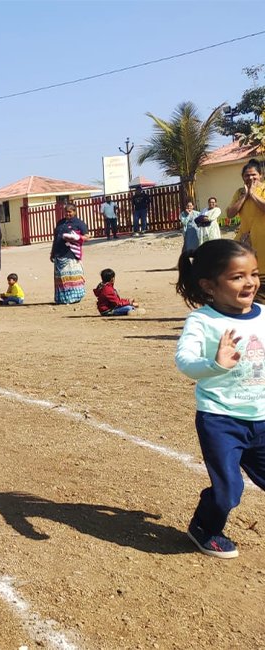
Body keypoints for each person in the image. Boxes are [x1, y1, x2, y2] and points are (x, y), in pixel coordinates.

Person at [174, 239, 265, 559]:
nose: (250, 282)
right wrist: (215, 364)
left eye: (253, 274)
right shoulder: (202, 321)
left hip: (262, 418)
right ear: (209, 286)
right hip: (221, 419)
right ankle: (205, 527)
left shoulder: (263, 315)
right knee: (228, 491)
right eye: (237, 277)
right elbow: (185, 362)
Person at [229, 160, 265, 301]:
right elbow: (230, 213)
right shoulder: (239, 192)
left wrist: (253, 194)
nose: (250, 178)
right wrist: (245, 196)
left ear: (261, 175)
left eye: (253, 175)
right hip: (245, 242)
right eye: (246, 175)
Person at [50, 202, 89, 305]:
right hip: (59, 253)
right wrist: (52, 252)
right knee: (61, 277)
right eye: (66, 212)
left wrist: (76, 238)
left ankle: (74, 297)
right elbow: (56, 238)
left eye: (70, 212)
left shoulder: (79, 223)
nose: (67, 214)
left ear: (74, 212)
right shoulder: (60, 223)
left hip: (71, 254)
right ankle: (62, 299)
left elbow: (87, 237)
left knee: (71, 276)